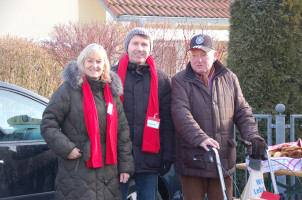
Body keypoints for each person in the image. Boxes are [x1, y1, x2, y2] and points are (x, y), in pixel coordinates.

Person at [171, 34, 267, 200]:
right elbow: (181, 113)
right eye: (194, 55)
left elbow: (242, 111)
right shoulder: (180, 80)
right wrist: (199, 138)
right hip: (193, 159)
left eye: (203, 55)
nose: (198, 60)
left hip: (222, 160)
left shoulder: (229, 78)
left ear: (215, 56)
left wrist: (252, 137)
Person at [40, 43, 134, 200]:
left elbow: (122, 132)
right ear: (82, 63)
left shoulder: (112, 94)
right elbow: (48, 124)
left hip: (108, 175)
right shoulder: (67, 90)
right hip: (77, 172)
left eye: (99, 61)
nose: (94, 65)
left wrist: (126, 167)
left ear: (104, 65)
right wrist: (67, 149)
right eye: (90, 61)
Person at [111, 27, 174, 200]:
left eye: (144, 44)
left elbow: (168, 121)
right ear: (127, 46)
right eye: (135, 43)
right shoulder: (111, 75)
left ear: (150, 48)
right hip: (117, 159)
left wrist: (167, 156)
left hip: (149, 159)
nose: (140, 48)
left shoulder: (161, 79)